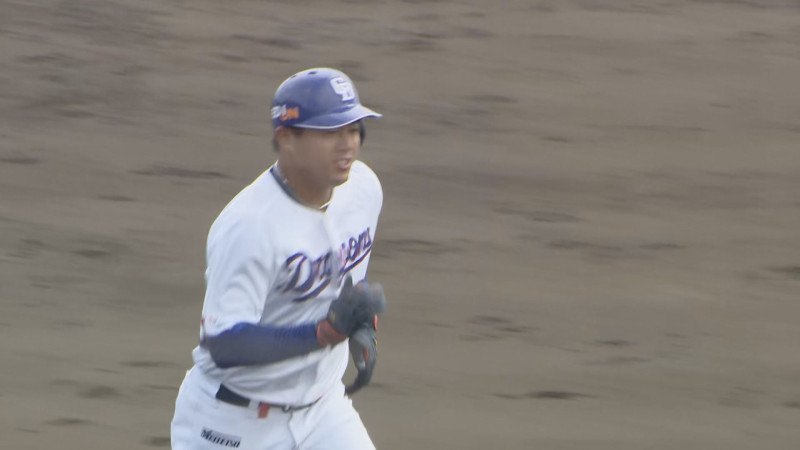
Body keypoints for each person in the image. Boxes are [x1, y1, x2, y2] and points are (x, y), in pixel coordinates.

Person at [170, 67, 386, 449]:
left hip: (323, 412)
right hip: (232, 423)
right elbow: (224, 344)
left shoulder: (363, 189)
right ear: (286, 137)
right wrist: (325, 333)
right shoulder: (249, 226)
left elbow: (346, 283)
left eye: (353, 129)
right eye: (330, 132)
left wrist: (361, 322)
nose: (347, 145)